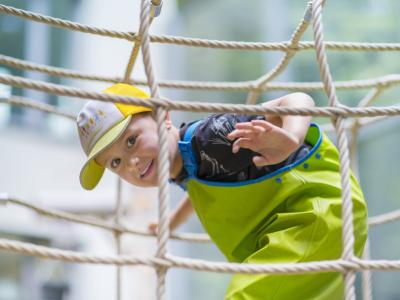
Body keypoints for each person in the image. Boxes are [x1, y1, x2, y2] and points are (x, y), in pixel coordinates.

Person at [77, 83, 367, 300]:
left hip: (315, 214)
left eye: (131, 141)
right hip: (293, 230)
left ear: (163, 118)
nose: (132, 161)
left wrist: (291, 137)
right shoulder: (182, 166)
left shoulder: (213, 136)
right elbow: (206, 185)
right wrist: (174, 221)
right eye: (116, 162)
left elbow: (298, 100)